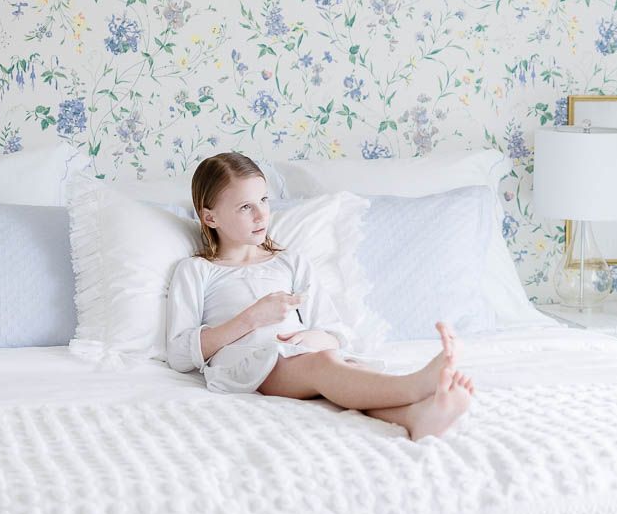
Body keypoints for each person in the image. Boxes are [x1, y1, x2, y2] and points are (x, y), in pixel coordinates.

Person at [165, 150, 473, 439]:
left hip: (301, 355)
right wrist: (251, 318)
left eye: (263, 200)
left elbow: (335, 332)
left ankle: (417, 417)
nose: (261, 215)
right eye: (246, 207)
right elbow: (180, 354)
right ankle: (415, 385)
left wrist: (313, 338)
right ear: (210, 217)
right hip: (247, 364)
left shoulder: (290, 262)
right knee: (324, 365)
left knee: (344, 370)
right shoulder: (197, 270)